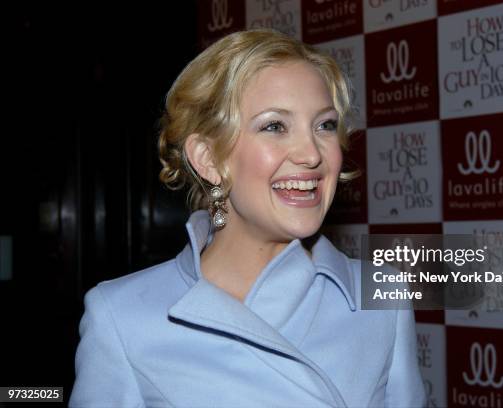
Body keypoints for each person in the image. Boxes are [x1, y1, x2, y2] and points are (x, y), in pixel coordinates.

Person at [69, 29, 425, 407]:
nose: (312, 153)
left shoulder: (384, 292)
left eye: (324, 125)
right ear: (209, 158)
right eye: (275, 126)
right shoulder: (121, 317)